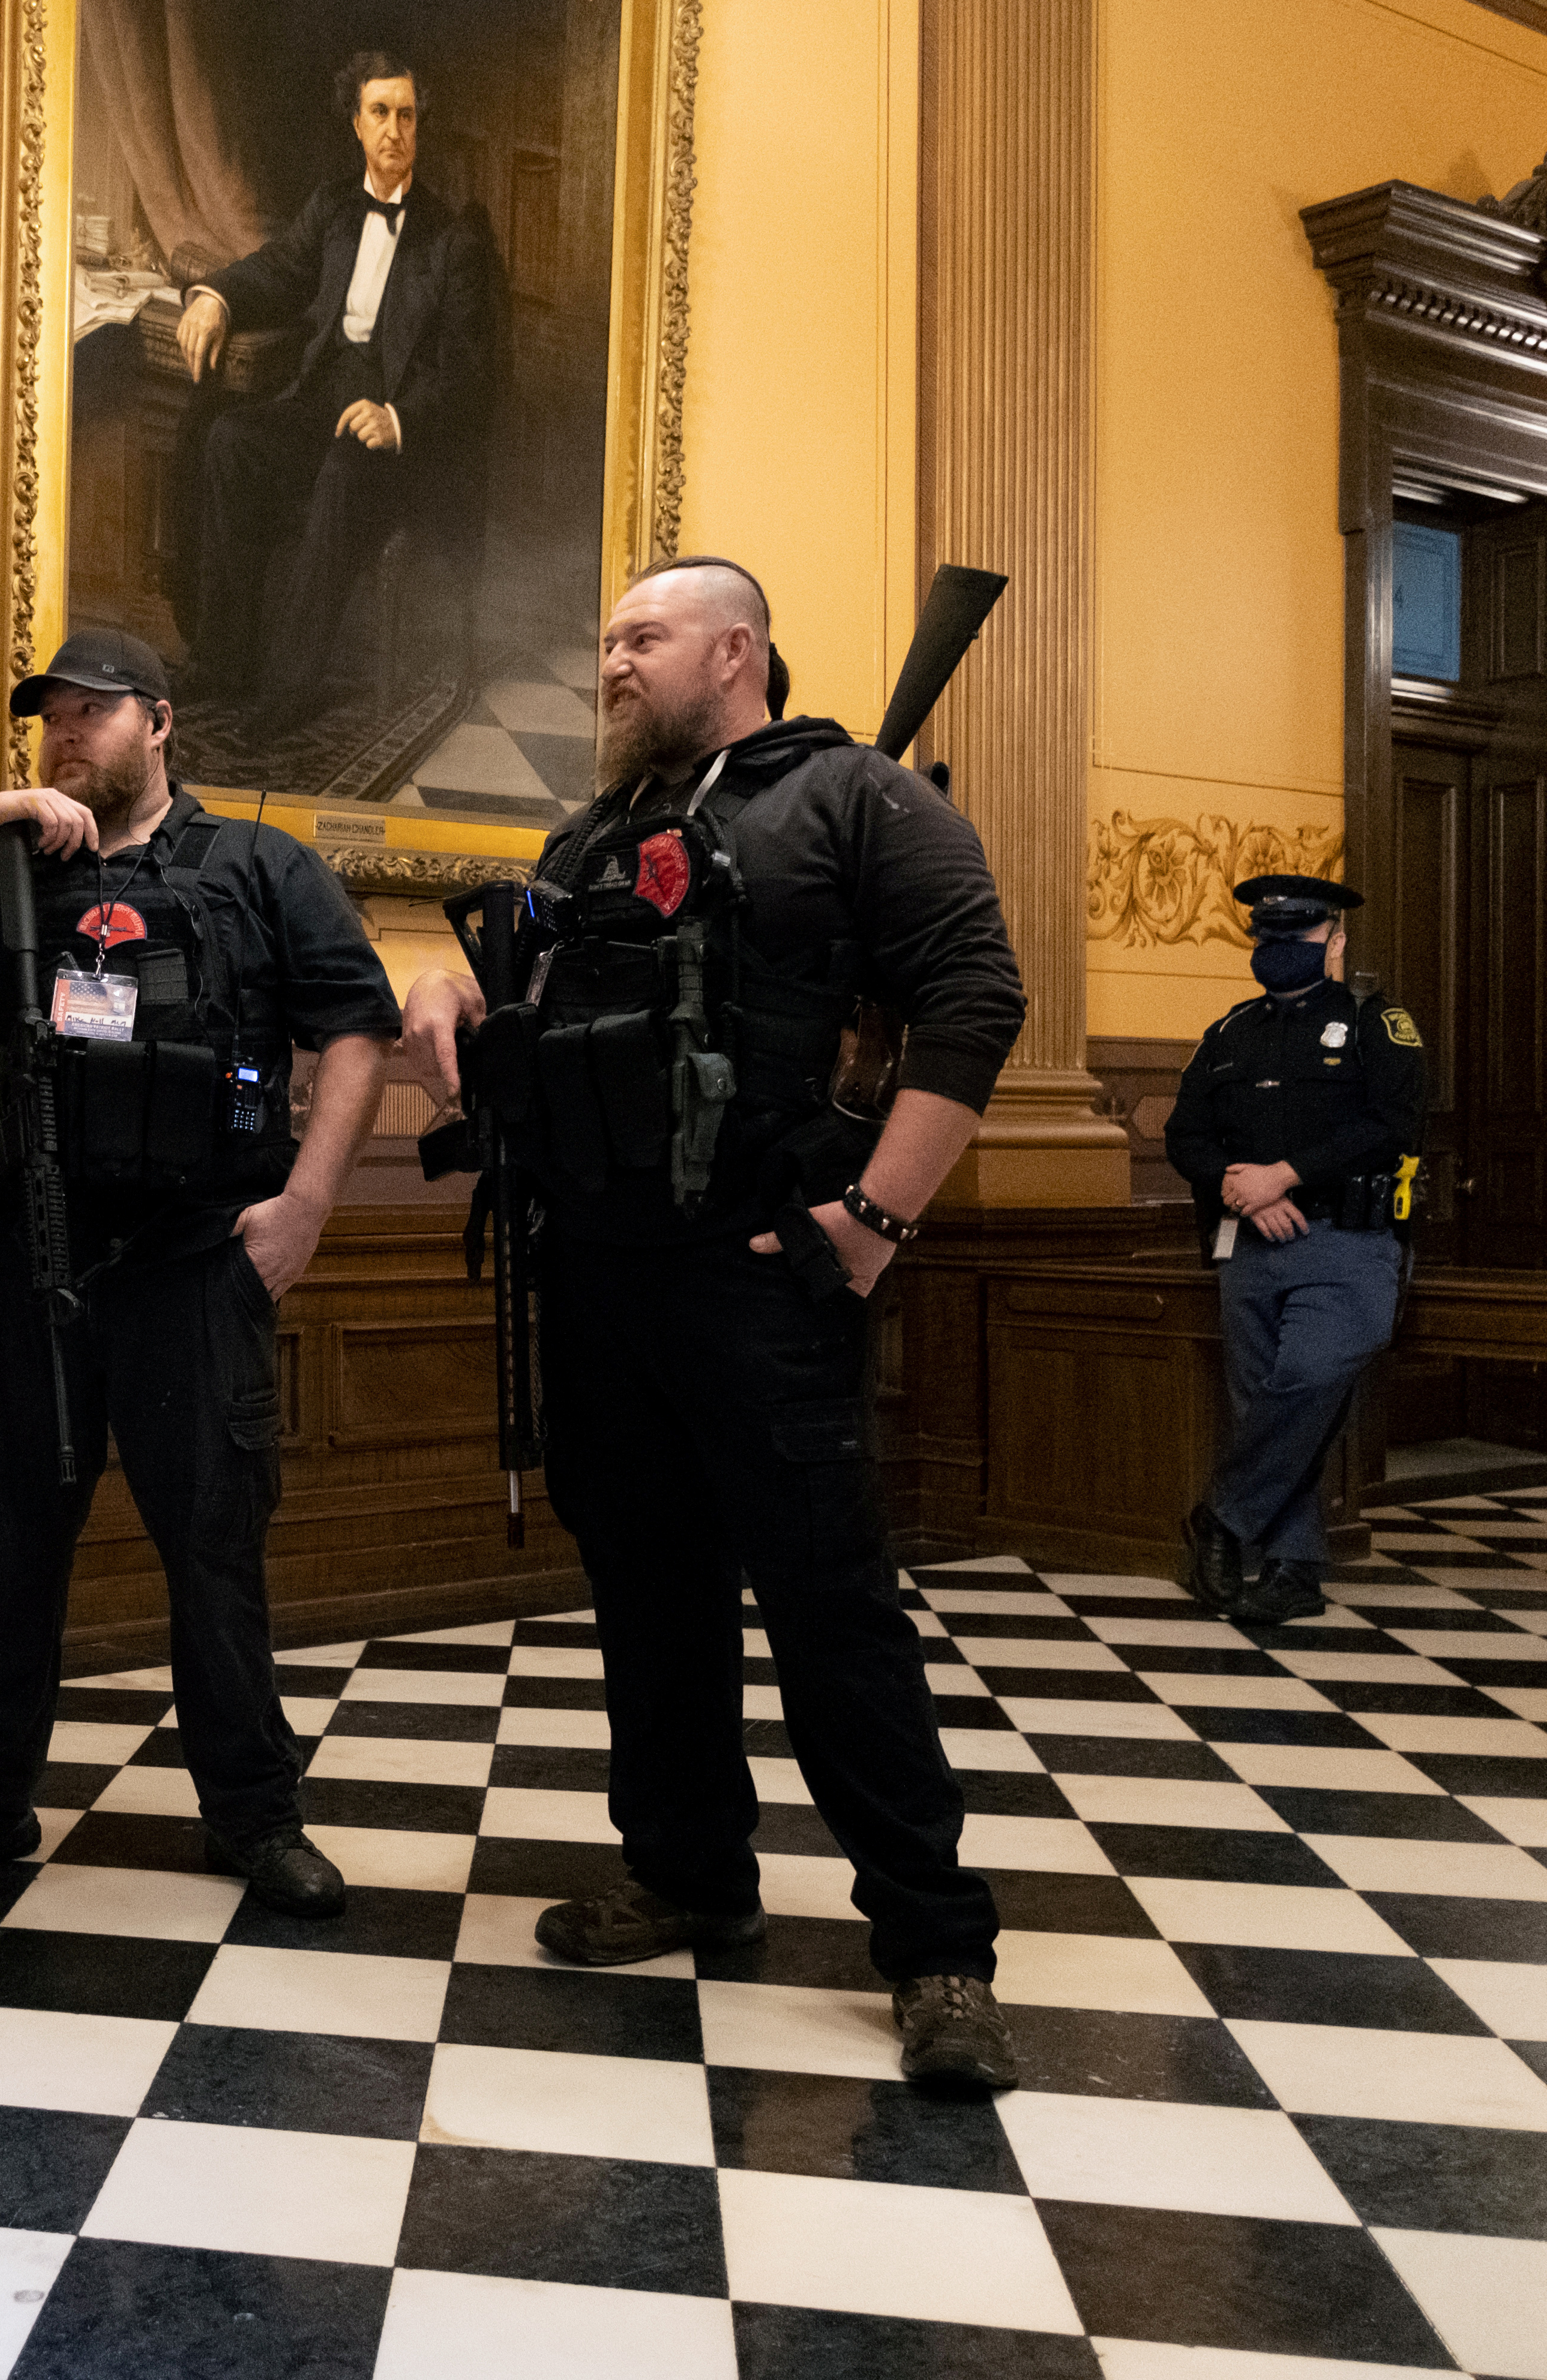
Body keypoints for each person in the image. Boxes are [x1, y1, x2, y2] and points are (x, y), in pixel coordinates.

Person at [401, 559, 1030, 2088]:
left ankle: (933, 1944)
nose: (607, 661)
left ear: (734, 648)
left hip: (764, 1272)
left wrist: (869, 1221)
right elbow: (545, 1011)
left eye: (639, 636)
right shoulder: (595, 831)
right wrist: (447, 993)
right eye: (604, 636)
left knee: (828, 1610)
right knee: (646, 1592)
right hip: (598, 1272)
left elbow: (973, 996)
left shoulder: (856, 800)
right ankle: (687, 1870)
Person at [0, 626, 401, 1916]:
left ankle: (255, 1817)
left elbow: (356, 1032)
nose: (65, 733)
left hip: (193, 1261)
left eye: (94, 711)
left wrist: (304, 1207)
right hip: (16, 1262)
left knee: (213, 1548)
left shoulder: (262, 867)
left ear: (158, 722)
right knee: (11, 1546)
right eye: (48, 717)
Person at [175, 50, 499, 713]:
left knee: (344, 470)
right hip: (321, 399)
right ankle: (221, 663)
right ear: (355, 123)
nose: (393, 131)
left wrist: (397, 419)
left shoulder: (452, 239)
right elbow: (278, 270)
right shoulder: (332, 209)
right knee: (230, 439)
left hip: (400, 434)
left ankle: (285, 691)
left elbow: (471, 375)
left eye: (406, 116)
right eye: (379, 113)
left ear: (418, 127)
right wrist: (214, 297)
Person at [1167, 875, 1425, 1625]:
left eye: (1300, 939)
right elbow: (1184, 1135)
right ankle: (1293, 1566)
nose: (1282, 951)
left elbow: (1392, 1123)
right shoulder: (1226, 1033)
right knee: (1265, 1401)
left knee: (1310, 1376)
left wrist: (1284, 1175)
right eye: (1268, 939)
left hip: (1346, 1239)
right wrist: (1235, 1184)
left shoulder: (1377, 1023)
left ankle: (1218, 1518)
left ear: (1334, 943)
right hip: (1248, 1241)